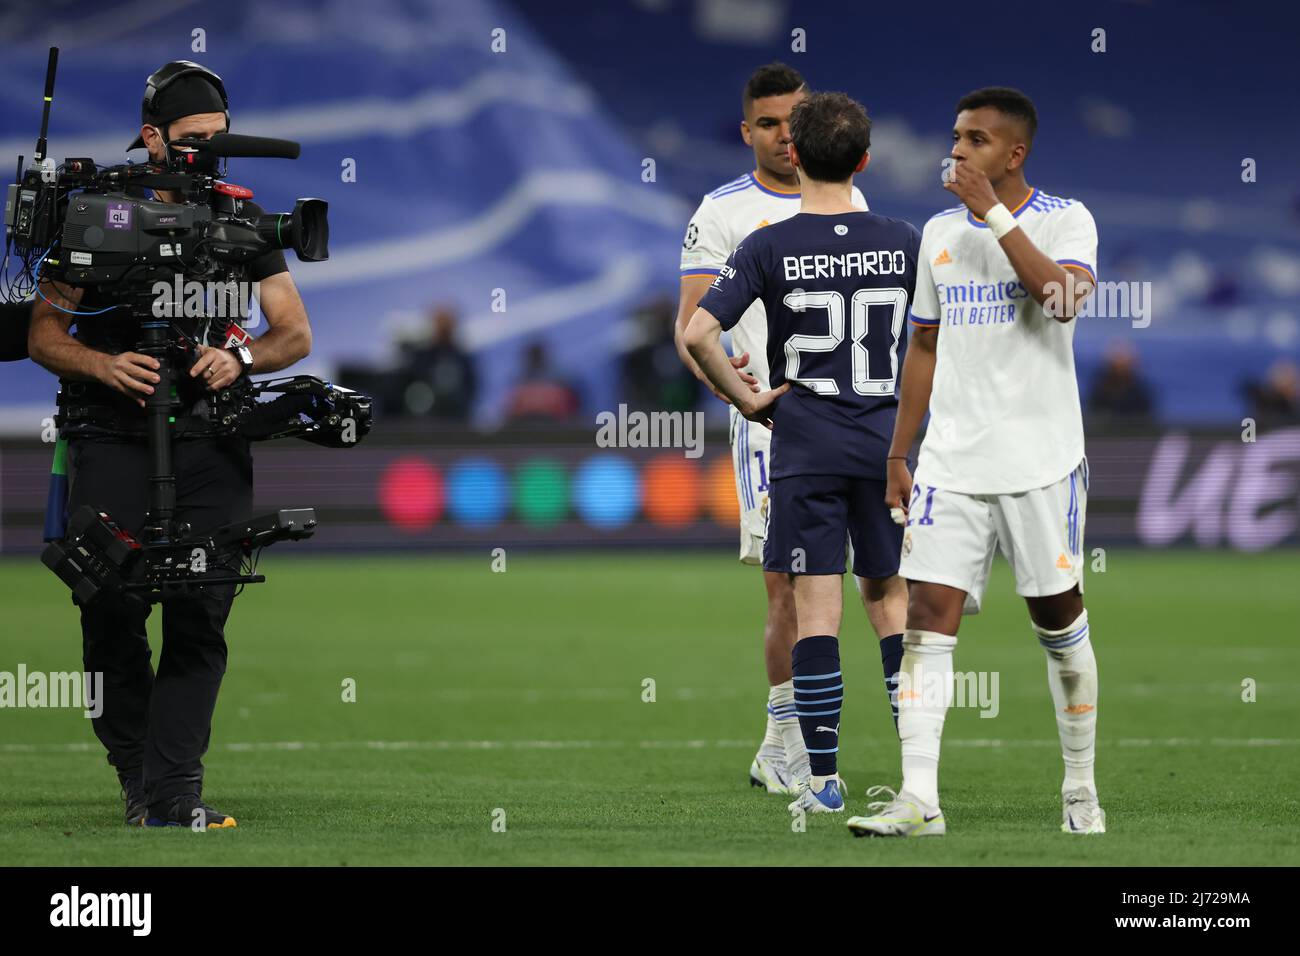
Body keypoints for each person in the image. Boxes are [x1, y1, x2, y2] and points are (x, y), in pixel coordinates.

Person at [27, 61, 313, 829]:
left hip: (211, 435)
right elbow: (43, 333)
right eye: (191, 141)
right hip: (109, 429)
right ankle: (138, 775)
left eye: (218, 142)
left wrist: (244, 356)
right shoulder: (97, 214)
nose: (207, 157)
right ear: (152, 137)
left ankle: (173, 791)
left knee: (201, 610)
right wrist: (102, 363)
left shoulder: (241, 217)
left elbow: (293, 332)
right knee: (111, 608)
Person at [848, 87, 1104, 837]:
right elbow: (922, 345)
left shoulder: (1066, 219)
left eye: (977, 140)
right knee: (927, 619)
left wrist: (995, 213)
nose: (957, 151)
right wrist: (902, 449)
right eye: (956, 137)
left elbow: (1060, 299)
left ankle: (1080, 788)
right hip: (951, 463)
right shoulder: (936, 234)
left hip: (1040, 460)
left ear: (1014, 153)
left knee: (1058, 621)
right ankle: (919, 798)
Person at [685, 91, 917, 814]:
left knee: (816, 607)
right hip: (884, 447)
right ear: (865, 160)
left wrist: (749, 400)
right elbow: (939, 342)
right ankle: (920, 778)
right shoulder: (906, 240)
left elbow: (695, 334)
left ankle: (820, 782)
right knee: (890, 602)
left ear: (796, 153)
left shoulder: (765, 245)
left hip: (804, 443)